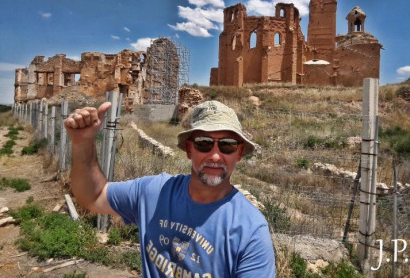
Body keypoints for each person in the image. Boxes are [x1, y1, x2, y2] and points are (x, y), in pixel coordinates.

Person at [64, 100, 276, 278]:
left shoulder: (250, 231)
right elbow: (94, 196)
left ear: (239, 153)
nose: (215, 156)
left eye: (227, 145)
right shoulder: (154, 192)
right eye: (203, 143)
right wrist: (83, 143)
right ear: (189, 150)